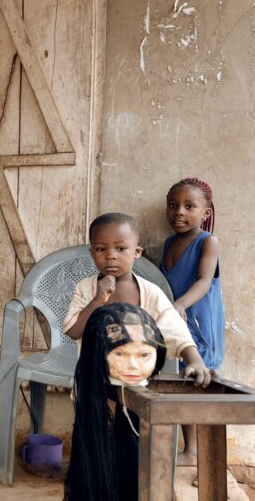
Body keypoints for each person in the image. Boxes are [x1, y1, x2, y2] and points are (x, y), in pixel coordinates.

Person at [63, 212, 212, 387]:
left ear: (137, 252)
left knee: (131, 414)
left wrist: (195, 361)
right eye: (101, 249)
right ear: (92, 253)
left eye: (120, 249)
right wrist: (97, 300)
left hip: (137, 382)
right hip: (93, 382)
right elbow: (73, 331)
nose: (111, 255)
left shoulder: (150, 293)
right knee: (95, 414)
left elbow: (175, 330)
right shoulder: (86, 289)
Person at [65, 303, 167, 501]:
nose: (133, 365)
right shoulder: (93, 396)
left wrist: (195, 360)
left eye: (144, 355)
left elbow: (176, 329)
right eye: (119, 354)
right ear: (98, 354)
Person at [160, 177, 224, 467]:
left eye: (189, 206)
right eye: (173, 205)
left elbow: (204, 281)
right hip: (176, 324)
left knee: (199, 385)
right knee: (183, 380)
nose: (179, 212)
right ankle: (192, 451)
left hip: (197, 322)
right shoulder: (169, 243)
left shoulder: (208, 242)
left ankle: (202, 455)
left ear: (205, 212)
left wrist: (180, 304)